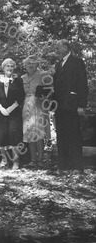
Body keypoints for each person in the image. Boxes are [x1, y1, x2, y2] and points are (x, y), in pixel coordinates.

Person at [53, 39, 88, 173]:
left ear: (66, 47)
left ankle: (77, 166)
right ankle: (64, 165)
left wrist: (81, 105)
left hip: (73, 105)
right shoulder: (58, 64)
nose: (56, 50)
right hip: (59, 106)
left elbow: (82, 84)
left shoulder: (77, 62)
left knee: (74, 135)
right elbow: (56, 86)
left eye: (58, 47)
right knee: (61, 135)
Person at [0, 58, 25, 169]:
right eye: (7, 66)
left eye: (11, 66)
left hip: (14, 113)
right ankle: (4, 159)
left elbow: (21, 96)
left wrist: (10, 109)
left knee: (14, 136)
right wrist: (2, 109)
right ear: (3, 68)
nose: (9, 68)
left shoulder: (18, 81)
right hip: (2, 113)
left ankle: (16, 161)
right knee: (1, 136)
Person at [22, 55, 53, 169]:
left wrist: (46, 97)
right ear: (25, 65)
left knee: (39, 133)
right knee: (30, 134)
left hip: (39, 106)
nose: (31, 65)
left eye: (33, 63)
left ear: (37, 64)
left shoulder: (44, 75)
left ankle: (40, 159)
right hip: (27, 107)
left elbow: (52, 89)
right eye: (28, 63)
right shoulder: (23, 77)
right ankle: (32, 160)